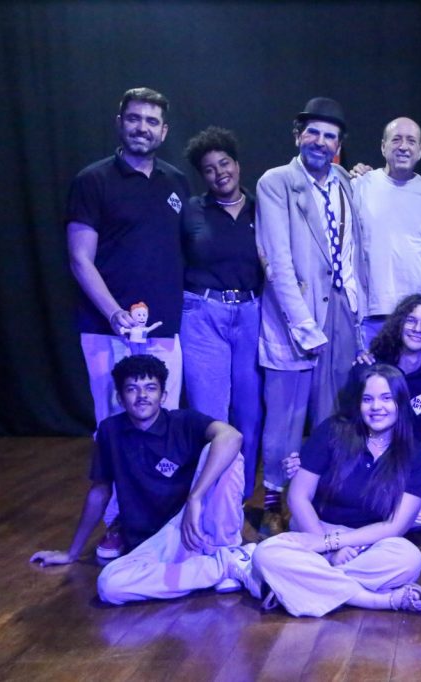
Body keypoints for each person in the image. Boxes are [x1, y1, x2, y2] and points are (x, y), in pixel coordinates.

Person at [29, 355, 259, 605]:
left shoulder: (183, 422)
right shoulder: (110, 431)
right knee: (110, 585)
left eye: (150, 388)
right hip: (156, 540)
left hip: (195, 523)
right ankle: (222, 567)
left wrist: (195, 498)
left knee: (226, 453)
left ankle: (224, 550)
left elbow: (233, 437)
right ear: (120, 398)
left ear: (163, 395)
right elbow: (99, 492)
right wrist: (72, 553)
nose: (142, 396)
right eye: (132, 389)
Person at [284, 294, 421, 563]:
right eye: (411, 320)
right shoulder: (370, 366)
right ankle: (355, 541)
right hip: (360, 461)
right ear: (399, 324)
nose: (418, 328)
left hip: (403, 463)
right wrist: (309, 461)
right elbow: (342, 425)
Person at [256, 97, 369, 534]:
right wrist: (302, 324)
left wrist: (356, 311)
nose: (320, 142)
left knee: (333, 414)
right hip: (297, 313)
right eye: (313, 133)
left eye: (330, 136)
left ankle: (320, 498)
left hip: (341, 307)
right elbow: (277, 260)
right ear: (298, 135)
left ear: (339, 145)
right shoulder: (277, 182)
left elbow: (353, 249)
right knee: (285, 414)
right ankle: (273, 500)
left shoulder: (344, 181)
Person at [252, 364, 421, 616]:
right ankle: (378, 600)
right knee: (265, 554)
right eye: (367, 399)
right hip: (314, 528)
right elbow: (298, 496)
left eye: (386, 398)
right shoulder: (333, 430)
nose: (376, 407)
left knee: (409, 559)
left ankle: (293, 585)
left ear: (400, 402)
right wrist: (328, 548)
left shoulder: (416, 456)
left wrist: (337, 545)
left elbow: (395, 527)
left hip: (369, 542)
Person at [67, 87, 195, 427]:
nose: (142, 128)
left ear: (163, 131)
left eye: (152, 121)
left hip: (163, 326)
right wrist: (113, 314)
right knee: (114, 424)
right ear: (119, 123)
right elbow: (80, 259)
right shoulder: (92, 180)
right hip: (106, 329)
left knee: (164, 423)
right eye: (134, 119)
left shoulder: (177, 181)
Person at [181, 126, 263, 510]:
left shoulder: (262, 207)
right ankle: (208, 502)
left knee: (249, 414)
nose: (219, 173)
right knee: (210, 416)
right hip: (203, 315)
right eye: (209, 169)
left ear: (238, 164)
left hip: (251, 314)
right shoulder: (191, 210)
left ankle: (238, 503)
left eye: (224, 163)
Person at [354, 118, 421, 342]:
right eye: (396, 139)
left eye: (411, 141)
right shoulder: (359, 186)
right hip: (368, 316)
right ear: (383, 146)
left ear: (420, 150)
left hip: (419, 318)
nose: (403, 146)